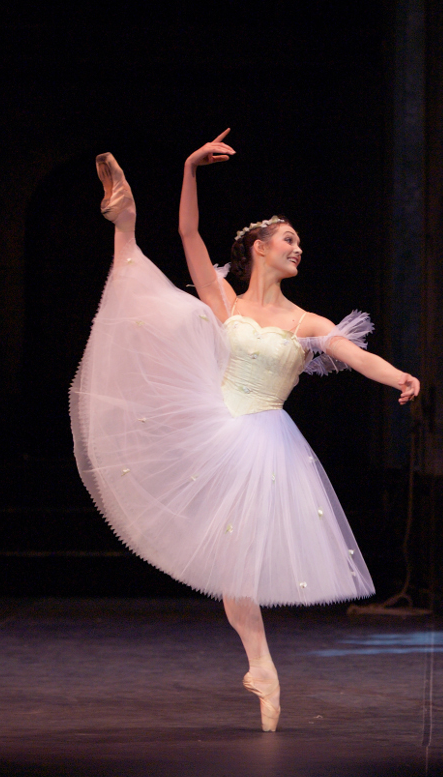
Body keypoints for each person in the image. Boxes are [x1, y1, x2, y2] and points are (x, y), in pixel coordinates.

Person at [70, 129, 420, 732]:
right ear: (258, 248)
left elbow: (356, 355)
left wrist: (398, 376)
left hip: (264, 442)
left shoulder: (305, 320)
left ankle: (261, 666)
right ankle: (124, 223)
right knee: (231, 564)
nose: (298, 249)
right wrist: (188, 168)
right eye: (289, 240)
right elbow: (186, 236)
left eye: (300, 242)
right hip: (212, 428)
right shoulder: (225, 302)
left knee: (238, 564)